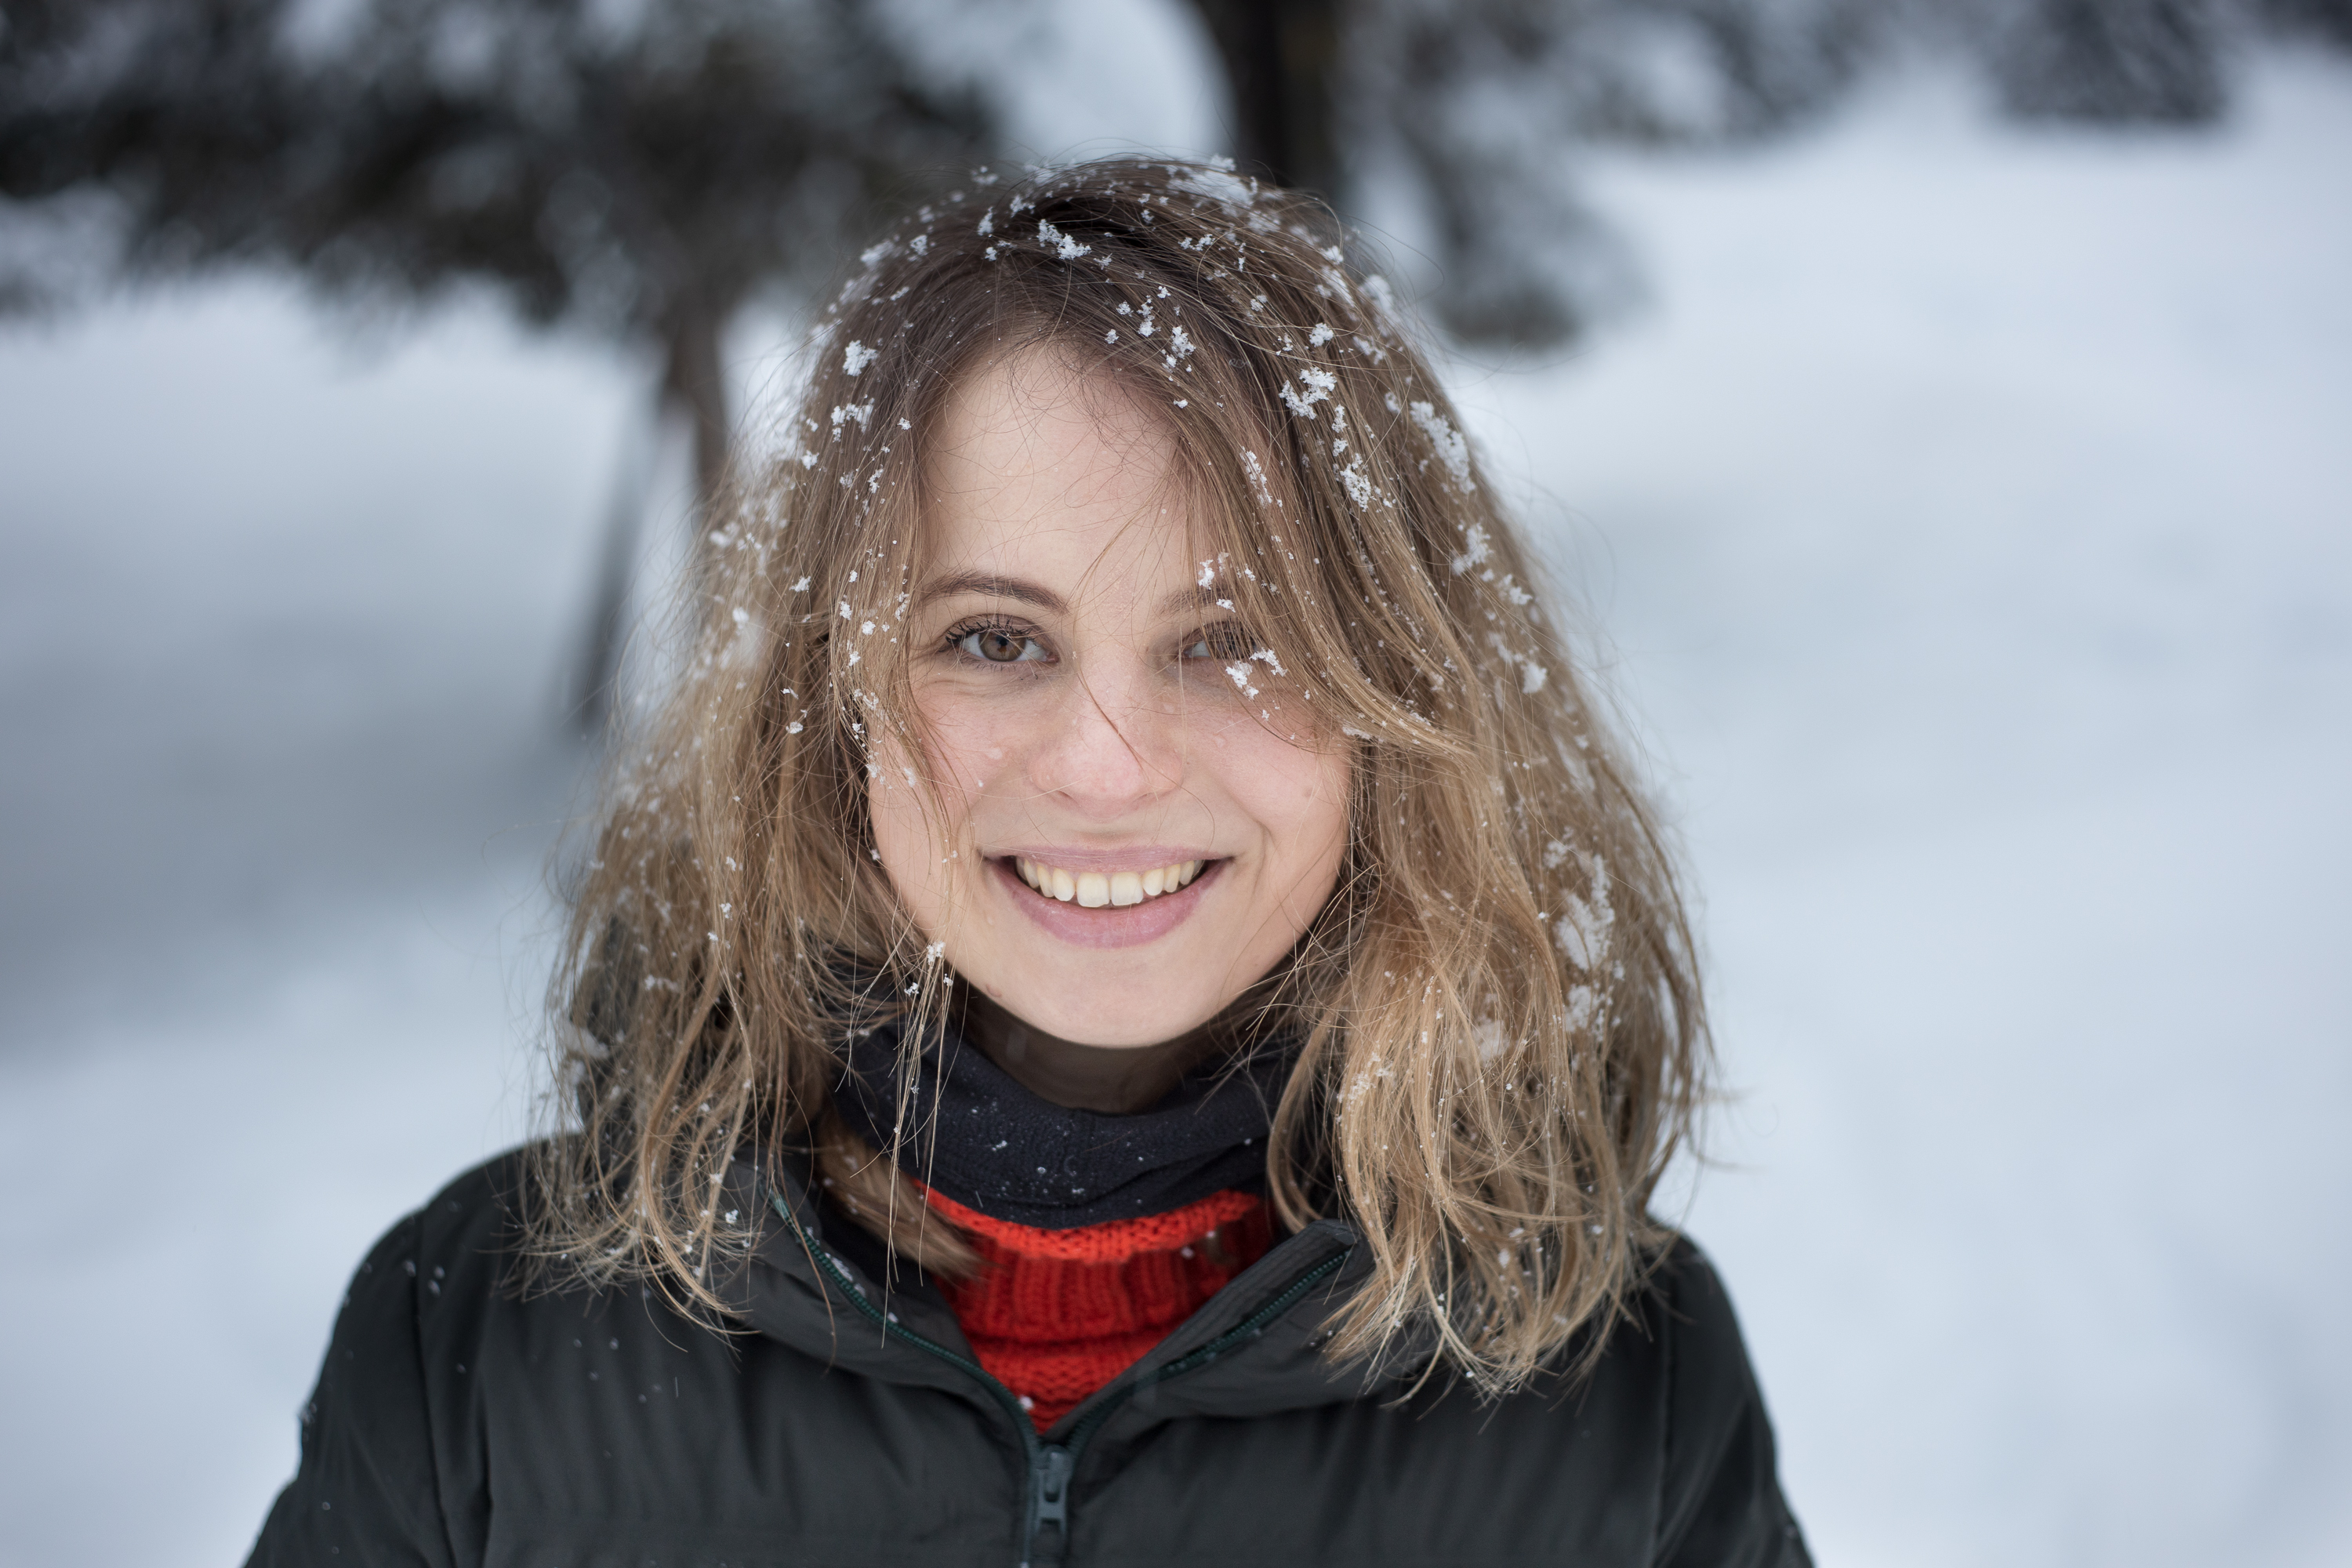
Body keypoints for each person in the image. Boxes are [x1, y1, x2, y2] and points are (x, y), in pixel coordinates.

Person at [245, 157, 1808, 1567]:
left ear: (1396, 697)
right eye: (994, 639)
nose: (1107, 766)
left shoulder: (1623, 1394)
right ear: (831, 700)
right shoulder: (476, 1349)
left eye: (1235, 640)